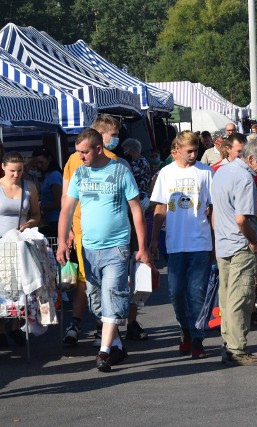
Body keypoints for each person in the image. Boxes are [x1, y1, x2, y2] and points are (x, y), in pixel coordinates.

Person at [56, 128, 152, 372]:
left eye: (84, 152)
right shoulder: (79, 173)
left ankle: (104, 352)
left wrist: (142, 247)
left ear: (98, 149)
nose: (81, 157)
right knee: (96, 301)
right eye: (78, 152)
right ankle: (117, 346)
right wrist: (61, 241)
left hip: (116, 247)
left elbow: (136, 210)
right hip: (88, 249)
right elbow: (66, 210)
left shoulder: (120, 170)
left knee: (114, 294)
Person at [149, 131, 214, 359]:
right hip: (175, 242)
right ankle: (185, 329)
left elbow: (212, 208)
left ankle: (197, 338)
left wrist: (215, 241)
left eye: (196, 150)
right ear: (177, 149)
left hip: (200, 242)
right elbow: (159, 208)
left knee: (197, 291)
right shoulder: (166, 174)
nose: (194, 154)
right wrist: (153, 240)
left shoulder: (206, 172)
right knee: (176, 292)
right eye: (190, 151)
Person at [212, 139, 257, 366]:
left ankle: (229, 343)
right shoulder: (245, 178)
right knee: (241, 298)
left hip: (224, 243)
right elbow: (242, 218)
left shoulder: (221, 172)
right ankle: (237, 348)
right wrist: (254, 241)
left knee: (227, 298)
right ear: (250, 159)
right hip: (240, 245)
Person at [0, 151, 40, 347]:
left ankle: (15, 326)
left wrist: (28, 225)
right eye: (12, 171)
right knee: (3, 287)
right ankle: (1, 329)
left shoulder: (29, 187)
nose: (16, 175)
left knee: (20, 287)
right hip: (1, 242)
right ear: (3, 168)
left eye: (20, 171)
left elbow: (36, 215)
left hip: (20, 242)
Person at [31, 147, 62, 238]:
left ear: (49, 159)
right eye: (36, 163)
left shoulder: (54, 175)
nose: (39, 165)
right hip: (50, 220)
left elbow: (58, 202)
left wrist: (38, 208)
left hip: (56, 221)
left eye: (41, 162)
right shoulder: (48, 175)